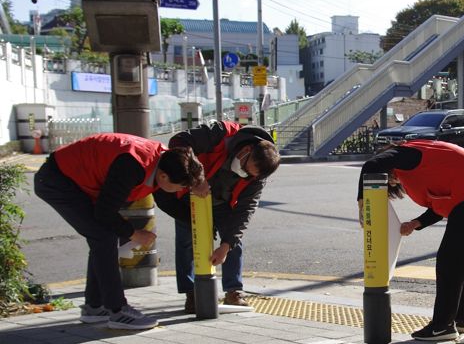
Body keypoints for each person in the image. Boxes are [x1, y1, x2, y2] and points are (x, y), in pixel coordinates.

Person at [33, 133, 205, 330]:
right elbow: (105, 213)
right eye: (180, 186)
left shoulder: (165, 162)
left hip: (73, 180)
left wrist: (202, 224)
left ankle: (94, 307)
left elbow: (167, 202)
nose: (179, 191)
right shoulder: (133, 165)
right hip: (57, 180)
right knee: (103, 236)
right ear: (164, 176)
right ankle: (117, 311)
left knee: (102, 238)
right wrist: (134, 234)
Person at [357, 140, 464, 340]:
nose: (392, 182)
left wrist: (362, 203)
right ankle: (462, 320)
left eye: (389, 179)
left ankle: (442, 326)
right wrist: (416, 223)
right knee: (461, 262)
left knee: (449, 261)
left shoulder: (407, 154)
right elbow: (440, 202)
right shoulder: (417, 170)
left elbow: (371, 165)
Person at [154, 120, 280, 313]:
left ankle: (233, 291)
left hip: (223, 202)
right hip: (190, 196)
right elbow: (178, 142)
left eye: (250, 175)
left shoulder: (257, 177)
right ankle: (191, 293)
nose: (245, 175)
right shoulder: (220, 133)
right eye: (246, 169)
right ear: (245, 150)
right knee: (187, 242)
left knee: (233, 243)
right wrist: (198, 178)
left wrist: (226, 245)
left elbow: (245, 211)